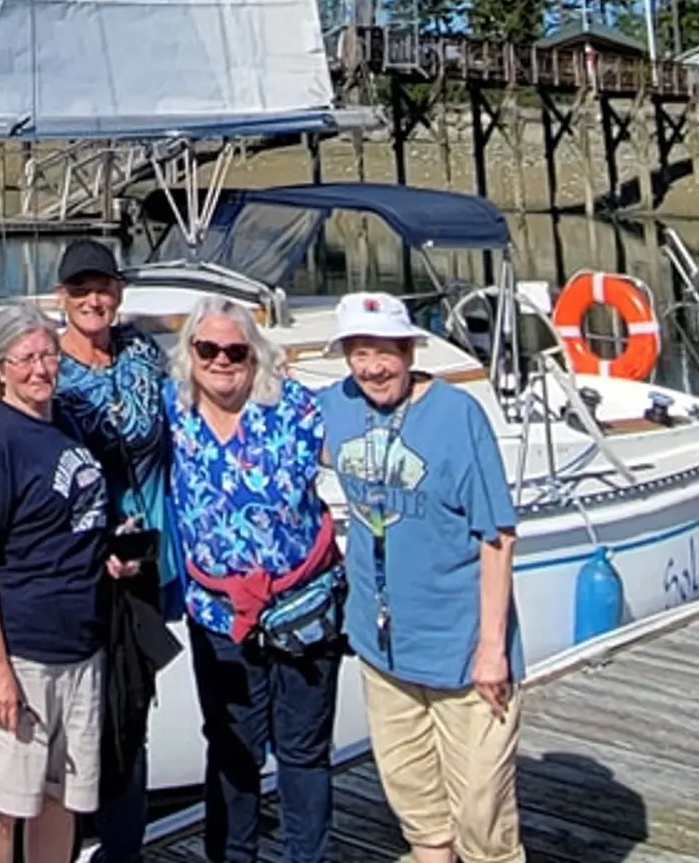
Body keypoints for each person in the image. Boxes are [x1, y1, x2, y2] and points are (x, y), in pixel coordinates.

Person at [0, 238, 176, 862]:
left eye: (103, 287)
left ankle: (124, 850)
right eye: (79, 291)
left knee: (114, 736)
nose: (93, 300)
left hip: (124, 574)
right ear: (61, 300)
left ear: (120, 291)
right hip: (38, 618)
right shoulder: (29, 405)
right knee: (5, 794)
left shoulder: (138, 357)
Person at [316, 290, 525, 863]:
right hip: (382, 646)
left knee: (483, 816)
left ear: (409, 350)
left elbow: (498, 536)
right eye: (360, 352)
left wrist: (491, 649)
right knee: (420, 812)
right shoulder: (335, 405)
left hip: (461, 648)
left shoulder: (458, 417)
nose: (373, 366)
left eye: (385, 351)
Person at [166, 296, 341, 863]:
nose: (221, 360)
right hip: (218, 615)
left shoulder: (294, 407)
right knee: (231, 748)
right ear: (189, 355)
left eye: (235, 350)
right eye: (207, 348)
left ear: (255, 355)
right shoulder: (174, 409)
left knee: (303, 751)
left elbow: (366, 435)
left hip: (303, 609)